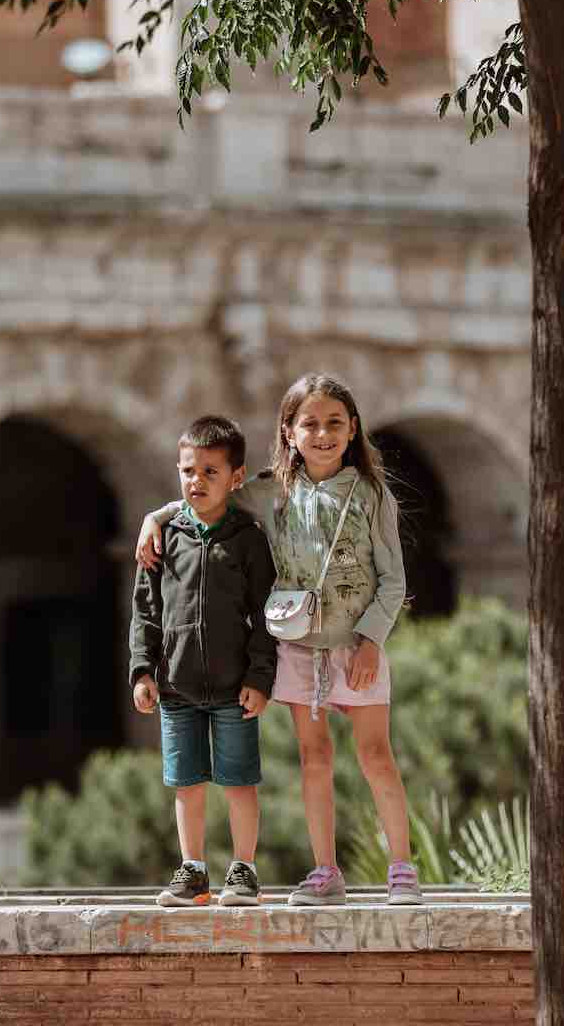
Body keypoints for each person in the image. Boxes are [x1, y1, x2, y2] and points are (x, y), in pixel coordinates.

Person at [137, 373, 420, 907]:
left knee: (375, 755)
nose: (322, 434)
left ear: (353, 428)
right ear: (289, 432)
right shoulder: (273, 492)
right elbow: (208, 497)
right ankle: (325, 871)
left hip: (357, 646)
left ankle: (402, 869)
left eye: (334, 423)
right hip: (297, 646)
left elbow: (394, 579)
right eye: (309, 423)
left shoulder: (372, 494)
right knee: (314, 759)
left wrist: (369, 640)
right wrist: (154, 517)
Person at [128, 414, 278, 907]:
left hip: (236, 688)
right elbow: (145, 610)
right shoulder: (162, 538)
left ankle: (244, 870)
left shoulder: (249, 539)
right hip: (176, 687)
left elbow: (265, 615)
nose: (198, 481)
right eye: (189, 471)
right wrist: (143, 670)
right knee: (185, 781)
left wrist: (261, 677)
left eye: (211, 472)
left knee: (238, 780)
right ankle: (193, 871)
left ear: (236, 477)